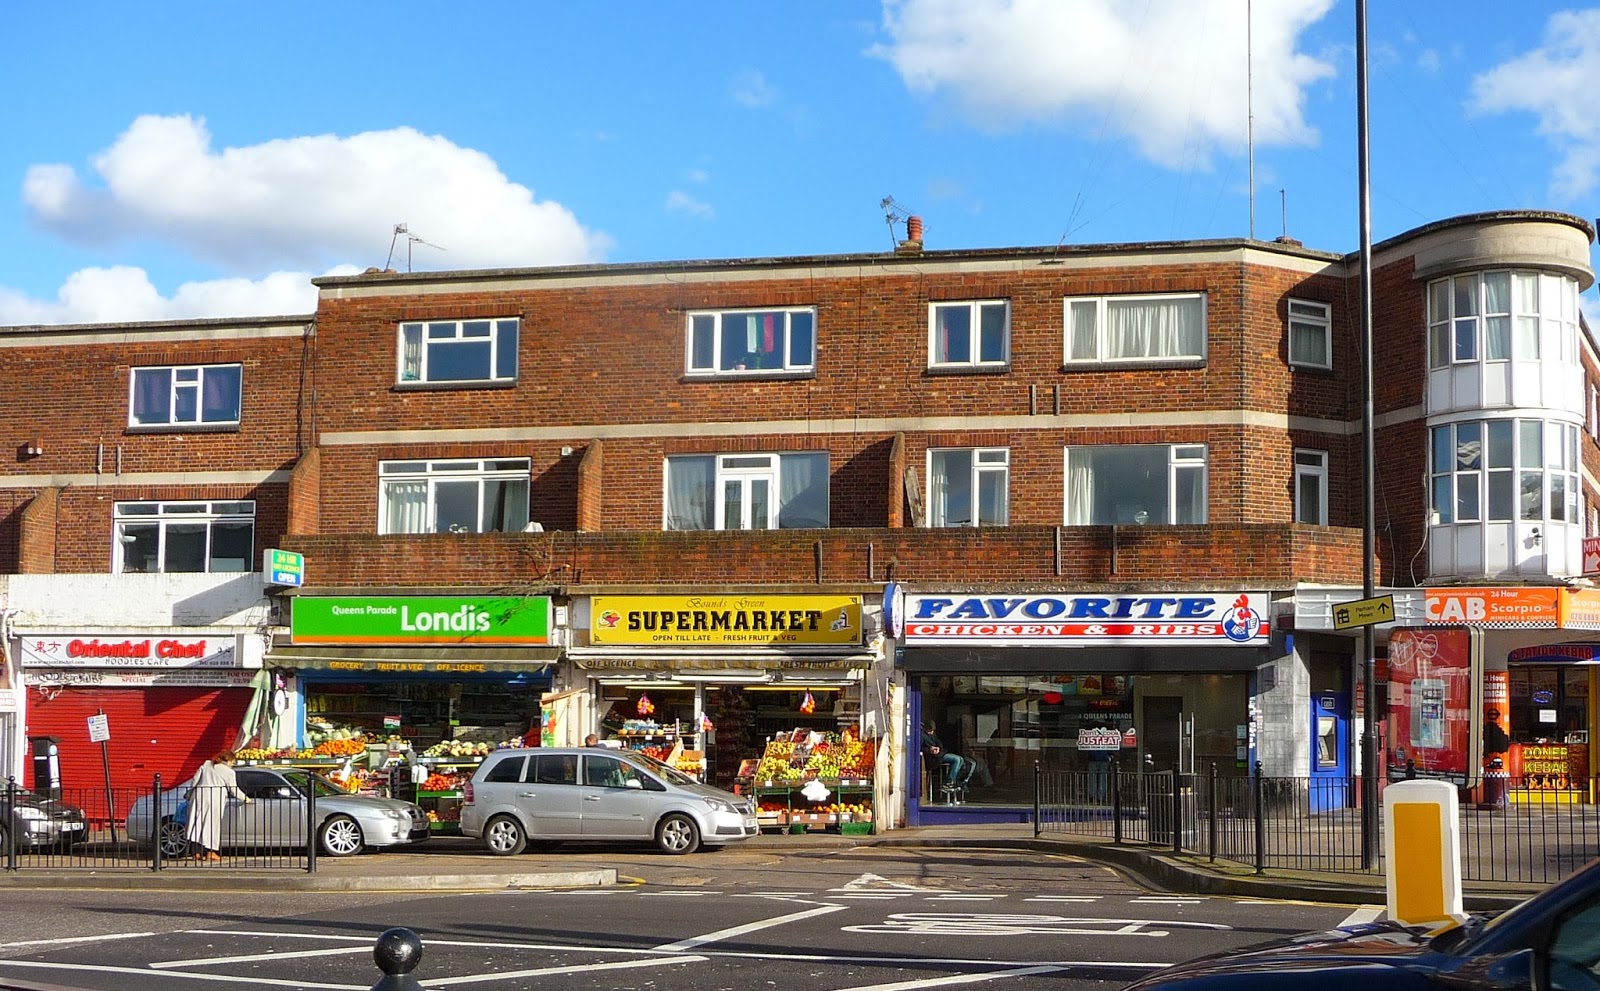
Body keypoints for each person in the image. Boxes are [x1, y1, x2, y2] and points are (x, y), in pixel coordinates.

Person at [183, 750, 249, 862]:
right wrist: (245, 798)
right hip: (215, 798)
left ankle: (195, 853)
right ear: (228, 760)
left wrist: (189, 793)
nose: (233, 764)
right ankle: (210, 852)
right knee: (212, 825)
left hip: (199, 796)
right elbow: (233, 789)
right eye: (233, 762)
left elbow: (195, 780)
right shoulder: (229, 772)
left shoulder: (206, 765)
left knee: (196, 823)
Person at [921, 721, 965, 796]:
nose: (931, 732)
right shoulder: (922, 735)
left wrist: (938, 748)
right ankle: (948, 782)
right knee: (957, 759)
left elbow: (939, 744)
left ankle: (954, 781)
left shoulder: (933, 735)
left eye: (932, 730)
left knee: (961, 759)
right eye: (930, 730)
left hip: (939, 754)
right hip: (933, 757)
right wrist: (930, 750)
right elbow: (920, 748)